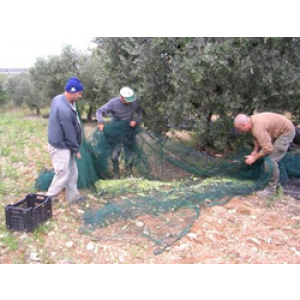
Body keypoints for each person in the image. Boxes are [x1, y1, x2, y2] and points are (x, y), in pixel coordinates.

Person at [234, 112, 295, 198]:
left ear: (244, 125)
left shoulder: (258, 127)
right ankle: (272, 180)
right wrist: (255, 151)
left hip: (286, 132)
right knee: (268, 156)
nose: (239, 131)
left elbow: (268, 149)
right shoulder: (251, 121)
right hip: (278, 131)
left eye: (239, 129)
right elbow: (255, 137)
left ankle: (271, 190)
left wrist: (254, 158)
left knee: (270, 161)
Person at [46, 77, 85, 204]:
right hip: (60, 147)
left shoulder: (60, 98)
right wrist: (76, 149)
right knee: (62, 174)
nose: (81, 96)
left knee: (72, 172)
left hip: (65, 146)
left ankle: (73, 197)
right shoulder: (64, 110)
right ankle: (48, 200)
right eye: (79, 93)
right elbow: (69, 133)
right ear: (72, 92)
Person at [96, 87, 142, 179]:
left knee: (128, 153)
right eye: (127, 100)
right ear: (121, 97)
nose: (130, 102)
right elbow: (99, 111)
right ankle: (116, 174)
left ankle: (129, 173)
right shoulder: (113, 103)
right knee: (114, 153)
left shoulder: (134, 101)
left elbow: (140, 113)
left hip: (128, 129)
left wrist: (136, 121)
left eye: (131, 100)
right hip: (115, 129)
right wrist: (100, 122)